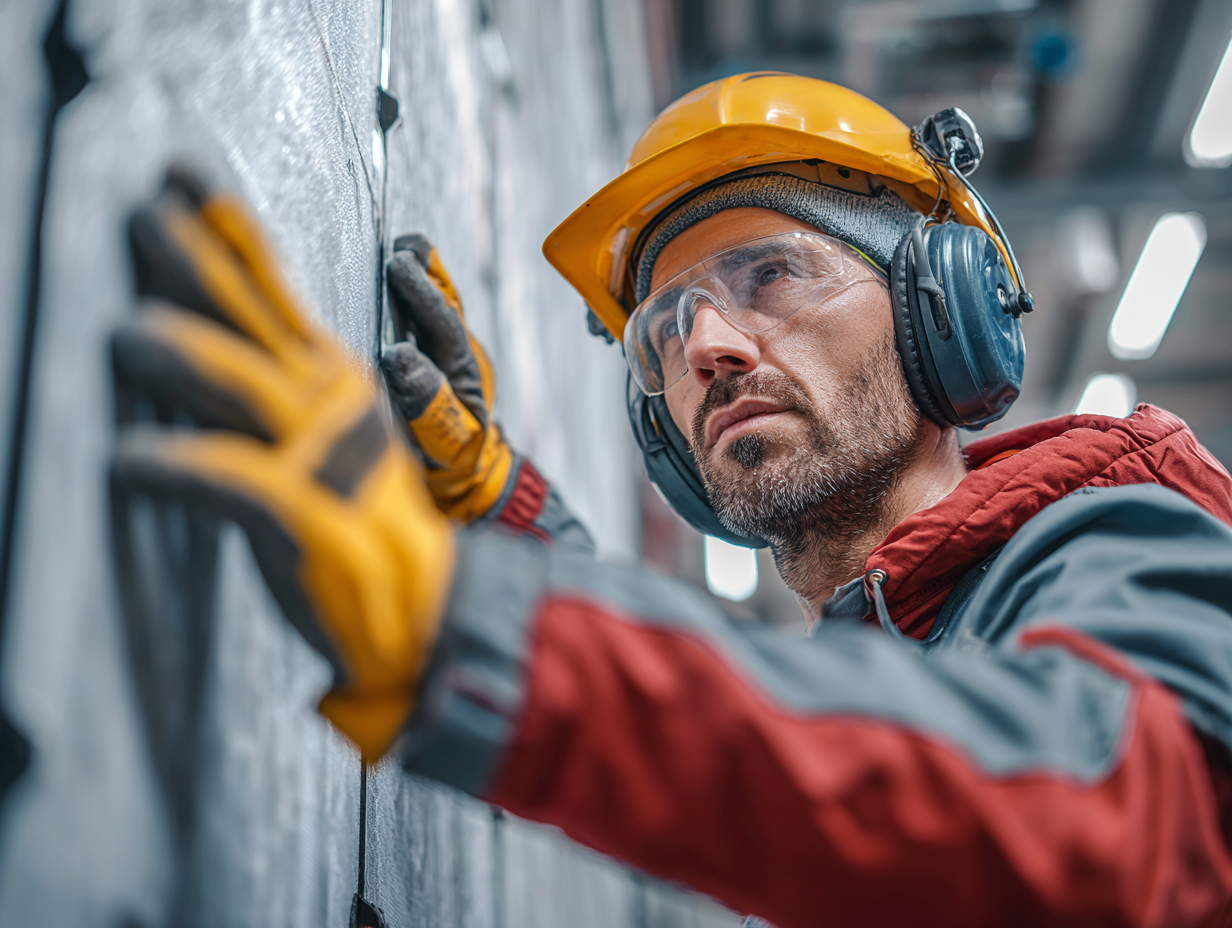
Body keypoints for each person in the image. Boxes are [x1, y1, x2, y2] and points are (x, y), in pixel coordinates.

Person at [110, 74, 1232, 927]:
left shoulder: (1114, 531)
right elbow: (840, 751)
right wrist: (497, 515)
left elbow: (1104, 817)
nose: (704, 346)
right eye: (663, 327)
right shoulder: (913, 652)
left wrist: (465, 614)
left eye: (771, 274)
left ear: (940, 307)